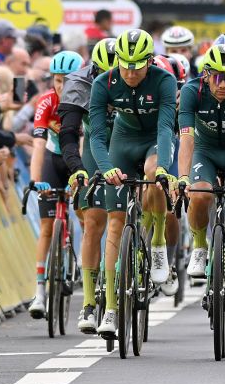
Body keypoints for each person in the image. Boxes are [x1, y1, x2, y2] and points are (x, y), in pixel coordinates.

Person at [89, 29, 178, 338]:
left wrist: (165, 167)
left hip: (155, 141)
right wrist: (107, 168)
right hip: (122, 142)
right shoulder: (104, 82)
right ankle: (111, 310)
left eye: (137, 65)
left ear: (150, 61)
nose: (129, 71)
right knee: (115, 223)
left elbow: (167, 127)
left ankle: (157, 244)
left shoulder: (163, 80)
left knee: (154, 174)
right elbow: (97, 135)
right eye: (124, 64)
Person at [175, 44, 225, 336]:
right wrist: (183, 177)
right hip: (205, 152)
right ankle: (199, 245)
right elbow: (186, 137)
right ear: (206, 75)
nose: (223, 85)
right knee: (198, 194)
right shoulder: (191, 92)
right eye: (217, 77)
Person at [57, 38, 116, 334]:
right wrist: (77, 169)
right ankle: (90, 302)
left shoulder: (140, 75)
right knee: (93, 222)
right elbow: (67, 134)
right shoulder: (78, 82)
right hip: (96, 143)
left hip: (130, 139)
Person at [26, 50, 85, 319]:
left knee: (87, 216)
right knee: (47, 227)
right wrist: (35, 182)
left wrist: (81, 176)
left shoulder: (87, 99)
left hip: (78, 160)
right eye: (57, 81)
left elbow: (85, 143)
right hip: (53, 158)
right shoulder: (46, 101)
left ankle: (86, 264)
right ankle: (39, 292)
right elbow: (38, 146)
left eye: (68, 81)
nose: (62, 87)